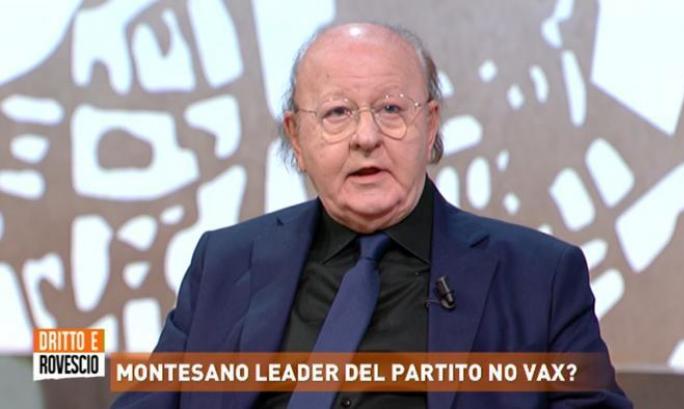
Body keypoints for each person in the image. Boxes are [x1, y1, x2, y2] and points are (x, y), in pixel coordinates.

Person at [112, 22, 632, 409]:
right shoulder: (225, 262)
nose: (366, 137)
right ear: (297, 137)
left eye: (391, 109)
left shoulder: (539, 276)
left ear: (430, 127)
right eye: (337, 113)